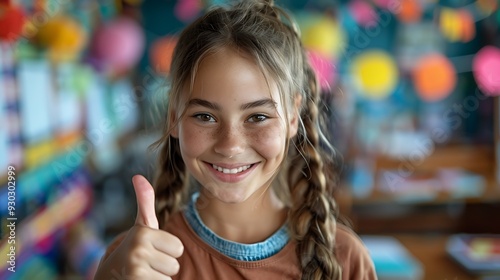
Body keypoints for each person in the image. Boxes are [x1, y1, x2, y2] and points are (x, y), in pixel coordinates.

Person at [94, 0, 376, 279]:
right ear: (173, 118)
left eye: (257, 117)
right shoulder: (137, 261)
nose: (230, 146)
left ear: (292, 117)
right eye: (205, 116)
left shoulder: (344, 259)